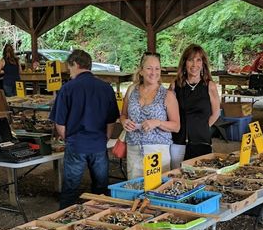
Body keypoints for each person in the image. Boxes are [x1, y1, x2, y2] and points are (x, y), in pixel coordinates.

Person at [49, 49, 120, 208]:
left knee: (70, 189)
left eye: (70, 67)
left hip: (76, 144)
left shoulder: (67, 88)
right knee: (101, 189)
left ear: (76, 64)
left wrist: (69, 139)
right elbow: (111, 120)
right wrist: (105, 138)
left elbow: (59, 123)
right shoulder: (106, 88)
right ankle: (100, 219)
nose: (69, 72)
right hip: (99, 144)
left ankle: (64, 222)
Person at [121, 52, 180, 180]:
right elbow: (123, 115)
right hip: (134, 149)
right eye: (149, 68)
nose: (153, 72)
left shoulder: (167, 95)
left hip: (157, 151)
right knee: (134, 189)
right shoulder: (132, 90)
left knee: (155, 190)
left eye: (157, 68)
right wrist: (124, 121)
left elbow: (176, 126)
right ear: (141, 71)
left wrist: (158, 122)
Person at [169, 44, 221, 170]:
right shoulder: (175, 86)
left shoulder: (210, 86)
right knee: (177, 179)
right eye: (190, 60)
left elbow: (216, 113)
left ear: (203, 63)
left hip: (202, 142)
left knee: (201, 178)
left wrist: (201, 126)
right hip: (179, 143)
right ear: (184, 63)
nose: (194, 64)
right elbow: (169, 112)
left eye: (198, 60)